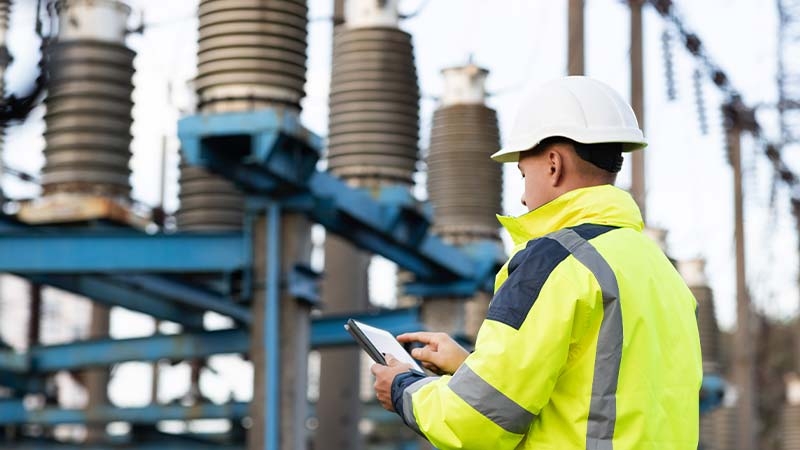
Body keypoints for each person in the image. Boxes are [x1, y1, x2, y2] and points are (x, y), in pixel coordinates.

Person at [371, 76, 702, 449]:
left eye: (523, 173)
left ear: (553, 165)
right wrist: (470, 369)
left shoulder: (556, 261)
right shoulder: (660, 272)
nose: (524, 197)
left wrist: (403, 387)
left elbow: (473, 422)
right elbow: (599, 400)